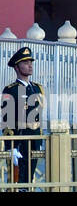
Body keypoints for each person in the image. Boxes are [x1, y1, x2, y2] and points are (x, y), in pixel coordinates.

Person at [3, 47, 44, 189]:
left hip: (34, 138)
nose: (30, 65)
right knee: (17, 180)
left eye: (30, 62)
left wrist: (40, 138)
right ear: (17, 67)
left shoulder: (37, 88)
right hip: (20, 138)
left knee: (30, 176)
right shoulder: (10, 89)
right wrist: (10, 146)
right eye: (25, 62)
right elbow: (7, 120)